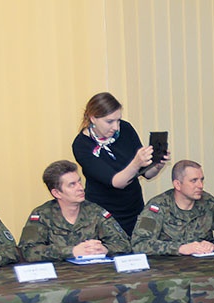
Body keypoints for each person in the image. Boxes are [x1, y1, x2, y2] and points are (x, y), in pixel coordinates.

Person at [72, 92, 170, 236]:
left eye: (118, 120)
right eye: (109, 121)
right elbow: (117, 181)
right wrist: (136, 162)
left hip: (133, 208)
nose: (116, 127)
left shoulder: (126, 129)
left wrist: (157, 164)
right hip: (103, 214)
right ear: (93, 118)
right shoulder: (82, 145)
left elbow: (146, 173)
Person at [18, 160, 132, 262]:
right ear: (56, 193)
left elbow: (124, 244)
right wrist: (71, 251)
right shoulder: (41, 215)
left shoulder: (95, 211)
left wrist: (105, 249)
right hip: (57, 279)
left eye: (79, 182)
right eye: (72, 185)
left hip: (93, 275)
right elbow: (28, 251)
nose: (80, 188)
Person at [131, 160, 214, 256]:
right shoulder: (158, 206)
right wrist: (179, 248)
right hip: (168, 271)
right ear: (177, 184)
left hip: (205, 269)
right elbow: (139, 244)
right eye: (194, 181)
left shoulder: (209, 203)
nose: (200, 185)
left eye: (201, 180)